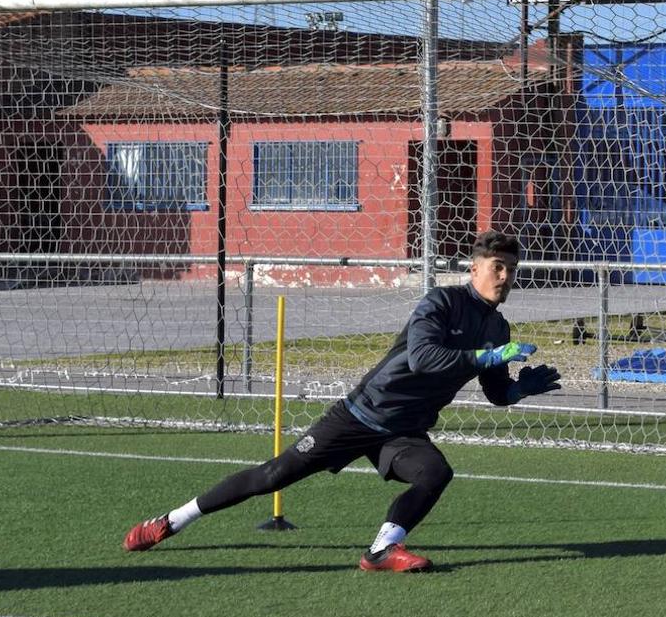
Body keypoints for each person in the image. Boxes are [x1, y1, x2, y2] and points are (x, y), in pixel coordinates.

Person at [122, 230, 560, 572]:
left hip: (403, 430)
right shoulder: (441, 302)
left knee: (435, 473)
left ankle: (382, 550)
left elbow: (497, 393)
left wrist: (520, 389)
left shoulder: (499, 331)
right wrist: (485, 356)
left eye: (511, 270)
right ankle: (171, 521)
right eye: (498, 267)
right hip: (360, 414)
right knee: (274, 476)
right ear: (475, 269)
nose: (505, 278)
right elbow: (425, 359)